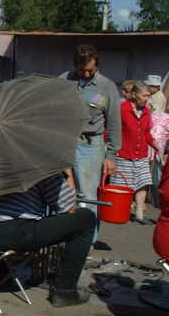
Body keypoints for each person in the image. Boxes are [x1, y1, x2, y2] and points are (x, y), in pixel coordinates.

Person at [0, 172, 96, 308]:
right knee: (86, 219)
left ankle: (1, 273)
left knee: (1, 214)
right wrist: (68, 175)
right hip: (11, 235)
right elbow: (68, 207)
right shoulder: (40, 165)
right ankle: (65, 290)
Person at [60, 44, 121, 251]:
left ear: (97, 65)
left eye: (90, 70)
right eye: (82, 70)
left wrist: (111, 155)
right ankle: (63, 235)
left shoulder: (107, 86)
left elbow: (114, 122)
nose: (86, 73)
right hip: (66, 140)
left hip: (91, 145)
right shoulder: (65, 79)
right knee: (61, 189)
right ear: (75, 65)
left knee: (87, 195)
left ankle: (88, 240)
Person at [111, 81, 159, 225]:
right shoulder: (123, 109)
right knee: (123, 186)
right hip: (124, 154)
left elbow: (146, 134)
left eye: (148, 96)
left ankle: (139, 214)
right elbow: (112, 130)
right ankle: (120, 212)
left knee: (143, 182)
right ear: (134, 95)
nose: (146, 98)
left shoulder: (146, 110)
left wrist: (157, 146)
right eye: (144, 95)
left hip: (141, 154)